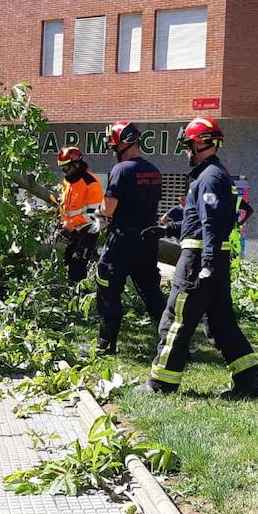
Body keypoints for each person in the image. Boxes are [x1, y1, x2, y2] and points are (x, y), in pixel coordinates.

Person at [142, 117, 258, 399]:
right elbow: (203, 219)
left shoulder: (209, 178)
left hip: (199, 261)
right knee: (221, 324)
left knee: (175, 319)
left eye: (188, 146)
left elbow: (210, 224)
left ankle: (161, 384)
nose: (186, 152)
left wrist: (206, 263)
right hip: (212, 259)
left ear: (199, 143)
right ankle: (249, 381)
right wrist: (167, 229)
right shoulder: (215, 175)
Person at [93, 122, 167, 355]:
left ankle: (105, 345)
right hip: (147, 239)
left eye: (113, 145)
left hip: (122, 240)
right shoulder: (154, 171)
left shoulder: (121, 170)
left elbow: (109, 208)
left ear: (121, 143)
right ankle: (177, 345)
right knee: (152, 293)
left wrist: (98, 210)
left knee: (107, 289)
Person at [56, 145, 105, 283]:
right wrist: (63, 221)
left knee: (77, 266)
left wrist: (72, 223)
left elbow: (95, 214)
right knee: (64, 261)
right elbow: (66, 206)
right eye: (62, 169)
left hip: (88, 230)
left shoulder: (91, 182)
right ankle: (68, 292)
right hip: (71, 229)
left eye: (66, 168)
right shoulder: (68, 181)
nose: (65, 172)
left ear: (76, 164)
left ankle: (79, 296)